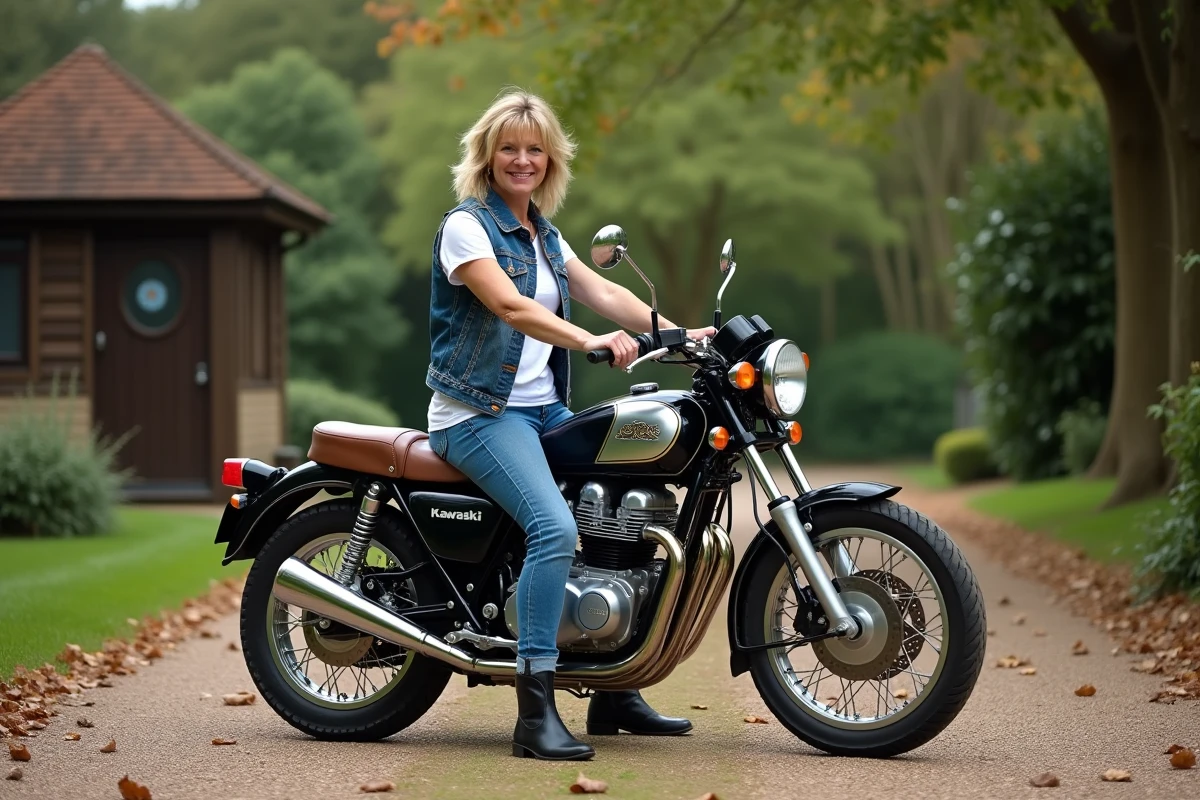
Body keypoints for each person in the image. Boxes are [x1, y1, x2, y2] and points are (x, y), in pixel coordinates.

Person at [425, 90, 714, 761]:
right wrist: (588, 340)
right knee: (553, 529)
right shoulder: (467, 228)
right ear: (487, 157)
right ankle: (534, 711)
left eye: (534, 148)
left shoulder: (546, 237)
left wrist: (684, 333)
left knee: (633, 502)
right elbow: (509, 305)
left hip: (541, 411)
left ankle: (617, 690)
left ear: (550, 160)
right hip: (478, 415)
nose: (522, 159)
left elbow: (606, 292)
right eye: (509, 148)